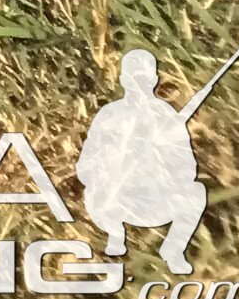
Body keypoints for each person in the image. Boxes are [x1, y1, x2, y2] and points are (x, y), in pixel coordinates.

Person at [79, 50, 210, 274]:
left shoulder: (165, 115)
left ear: (154, 80)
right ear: (123, 80)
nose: (139, 85)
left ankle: (174, 249)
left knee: (196, 192)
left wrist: (160, 157)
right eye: (134, 79)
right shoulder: (109, 114)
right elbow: (85, 166)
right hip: (115, 200)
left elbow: (187, 167)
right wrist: (113, 163)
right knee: (94, 195)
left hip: (154, 199)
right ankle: (115, 234)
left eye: (144, 78)